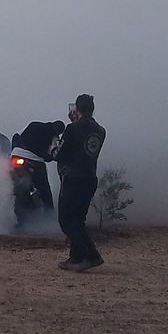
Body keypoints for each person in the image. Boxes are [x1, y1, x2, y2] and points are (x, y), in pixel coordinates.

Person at [54, 93, 106, 273]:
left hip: (73, 179)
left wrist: (53, 148)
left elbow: (59, 153)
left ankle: (91, 255)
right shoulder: (101, 131)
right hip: (89, 178)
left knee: (66, 220)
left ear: (77, 108)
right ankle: (76, 258)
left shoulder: (72, 129)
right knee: (78, 219)